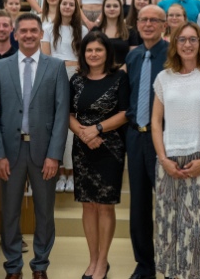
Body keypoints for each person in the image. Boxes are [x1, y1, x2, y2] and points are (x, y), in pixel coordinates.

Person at [0, 13, 70, 279]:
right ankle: (13, 266)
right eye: (23, 31)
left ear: (40, 34)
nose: (28, 35)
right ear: (15, 35)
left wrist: (54, 155)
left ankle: (40, 265)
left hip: (44, 152)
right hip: (9, 154)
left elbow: (61, 113)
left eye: (33, 31)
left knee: (44, 212)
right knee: (10, 212)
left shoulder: (55, 67)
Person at [151, 22, 200, 279]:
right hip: (169, 162)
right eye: (182, 39)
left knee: (199, 231)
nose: (187, 44)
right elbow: (156, 122)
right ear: (174, 44)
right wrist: (163, 159)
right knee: (169, 227)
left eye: (193, 39)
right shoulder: (164, 78)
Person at [69, 31, 130, 279]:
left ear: (107, 53)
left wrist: (97, 129)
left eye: (98, 50)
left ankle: (103, 261)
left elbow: (125, 113)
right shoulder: (76, 80)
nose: (93, 54)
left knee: (104, 207)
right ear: (83, 53)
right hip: (82, 148)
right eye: (89, 50)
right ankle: (92, 259)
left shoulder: (119, 78)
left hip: (110, 147)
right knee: (87, 205)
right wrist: (84, 134)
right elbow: (68, 114)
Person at [125, 5, 169, 279]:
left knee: (166, 202)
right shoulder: (133, 56)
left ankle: (170, 260)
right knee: (139, 204)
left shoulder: (173, 55)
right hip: (135, 136)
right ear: (137, 24)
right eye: (144, 19)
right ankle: (145, 264)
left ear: (165, 25)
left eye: (155, 20)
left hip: (163, 138)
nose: (148, 24)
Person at [42, 0, 90, 193]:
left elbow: (85, 58)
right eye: (65, 4)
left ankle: (71, 173)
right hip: (55, 75)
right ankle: (60, 172)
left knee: (71, 123)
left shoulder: (83, 30)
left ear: (76, 8)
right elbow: (45, 56)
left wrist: (76, 68)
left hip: (76, 76)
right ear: (59, 6)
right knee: (56, 122)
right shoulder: (47, 28)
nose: (68, 7)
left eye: (71, 4)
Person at [95, 0, 140, 65]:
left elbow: (134, 57)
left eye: (115, 6)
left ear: (120, 9)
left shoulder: (130, 31)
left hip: (124, 70)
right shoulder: (95, 31)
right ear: (103, 9)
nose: (112, 9)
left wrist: (124, 68)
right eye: (108, 6)